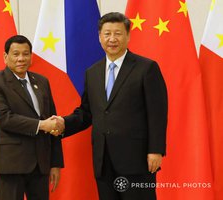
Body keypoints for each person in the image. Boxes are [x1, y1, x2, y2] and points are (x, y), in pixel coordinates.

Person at [52, 12, 167, 200]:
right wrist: (63, 123)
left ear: (128, 36)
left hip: (136, 160)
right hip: (103, 160)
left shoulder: (146, 68)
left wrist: (156, 150)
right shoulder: (92, 72)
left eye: (118, 33)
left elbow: (157, 113)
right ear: (99, 37)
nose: (112, 39)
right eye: (107, 34)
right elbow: (87, 112)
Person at [0, 35, 64, 200]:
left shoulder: (42, 82)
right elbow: (3, 118)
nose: (21, 58)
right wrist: (41, 125)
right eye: (16, 54)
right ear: (6, 57)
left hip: (41, 164)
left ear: (31, 56)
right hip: (12, 164)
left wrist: (55, 163)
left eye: (26, 54)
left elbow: (51, 121)